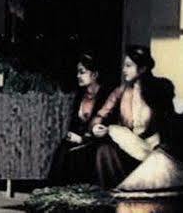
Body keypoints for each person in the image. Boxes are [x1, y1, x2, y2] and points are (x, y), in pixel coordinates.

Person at [94, 45, 170, 187]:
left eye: (128, 66)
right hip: (127, 147)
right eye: (124, 66)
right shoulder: (121, 91)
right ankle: (114, 194)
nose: (124, 71)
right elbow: (101, 114)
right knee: (103, 151)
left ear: (142, 68)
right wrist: (96, 127)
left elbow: (168, 120)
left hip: (152, 148)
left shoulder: (159, 89)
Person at [53, 53, 121, 183]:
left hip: (97, 141)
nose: (78, 76)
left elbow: (106, 126)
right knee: (62, 150)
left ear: (94, 75)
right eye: (77, 72)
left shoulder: (107, 96)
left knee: (79, 154)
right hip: (78, 140)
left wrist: (83, 138)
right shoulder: (80, 96)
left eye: (82, 72)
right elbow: (73, 123)